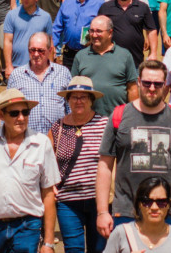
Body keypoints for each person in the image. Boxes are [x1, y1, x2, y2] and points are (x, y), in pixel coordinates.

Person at [96, 60, 171, 240]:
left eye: (158, 84)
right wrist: (102, 211)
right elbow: (105, 166)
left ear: (164, 85)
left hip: (169, 211)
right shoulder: (120, 116)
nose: (152, 88)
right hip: (127, 211)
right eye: (147, 83)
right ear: (138, 82)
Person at [0, 88, 61, 253]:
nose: (21, 118)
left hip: (27, 227)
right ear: (1, 115)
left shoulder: (42, 144)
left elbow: (48, 194)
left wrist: (48, 243)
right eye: (14, 113)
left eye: (25, 112)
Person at [49, 77, 109, 252]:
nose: (79, 101)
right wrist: (51, 184)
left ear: (91, 100)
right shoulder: (57, 127)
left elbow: (114, 160)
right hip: (67, 201)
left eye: (83, 97)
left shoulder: (104, 124)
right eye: (74, 97)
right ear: (68, 100)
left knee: (98, 249)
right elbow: (48, 161)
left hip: (98, 200)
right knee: (73, 249)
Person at [103, 177, 171, 252]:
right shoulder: (121, 234)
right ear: (139, 204)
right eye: (147, 202)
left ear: (168, 205)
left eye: (161, 202)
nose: (154, 207)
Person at [71, 15, 138, 116]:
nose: (94, 35)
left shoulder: (124, 55)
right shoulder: (81, 56)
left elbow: (132, 88)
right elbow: (73, 89)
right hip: (88, 120)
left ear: (110, 33)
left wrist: (134, 115)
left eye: (99, 31)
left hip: (117, 118)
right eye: (91, 31)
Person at [7, 32, 72, 134]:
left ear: (50, 50)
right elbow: (7, 110)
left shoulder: (63, 73)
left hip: (57, 140)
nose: (36, 54)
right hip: (26, 140)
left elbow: (70, 108)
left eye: (41, 51)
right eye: (32, 50)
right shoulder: (16, 76)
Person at [98, 0, 157, 67]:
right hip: (111, 62)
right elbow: (98, 30)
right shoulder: (105, 8)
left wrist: (153, 53)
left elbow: (152, 30)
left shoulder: (142, 7)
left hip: (136, 62)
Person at [53, 0, 104, 70]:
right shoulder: (67, 2)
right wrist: (53, 47)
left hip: (90, 52)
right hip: (69, 53)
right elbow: (57, 27)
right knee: (71, 83)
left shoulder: (99, 4)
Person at [3, 0, 54, 78]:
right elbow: (7, 41)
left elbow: (50, 44)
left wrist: (51, 66)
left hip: (39, 68)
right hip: (17, 66)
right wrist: (8, 65)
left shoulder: (46, 17)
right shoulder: (12, 15)